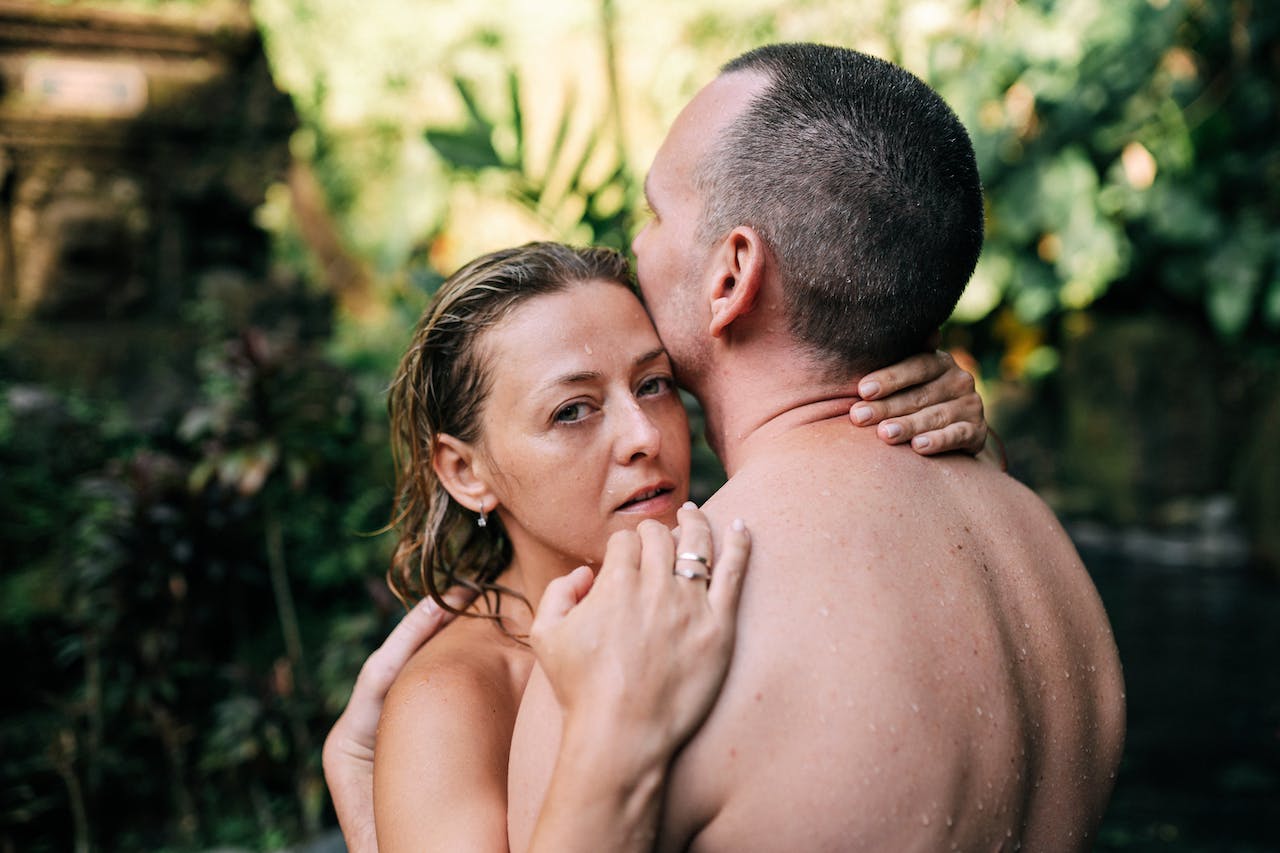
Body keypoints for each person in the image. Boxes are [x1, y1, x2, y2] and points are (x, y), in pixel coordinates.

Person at [505, 44, 1126, 852]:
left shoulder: (637, 636)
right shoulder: (1047, 561)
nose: (636, 247)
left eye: (656, 213)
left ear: (731, 275)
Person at [323, 238, 989, 850]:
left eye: (653, 384)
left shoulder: (734, 550)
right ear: (466, 471)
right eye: (572, 410)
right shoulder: (454, 698)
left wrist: (945, 435)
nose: (644, 433)